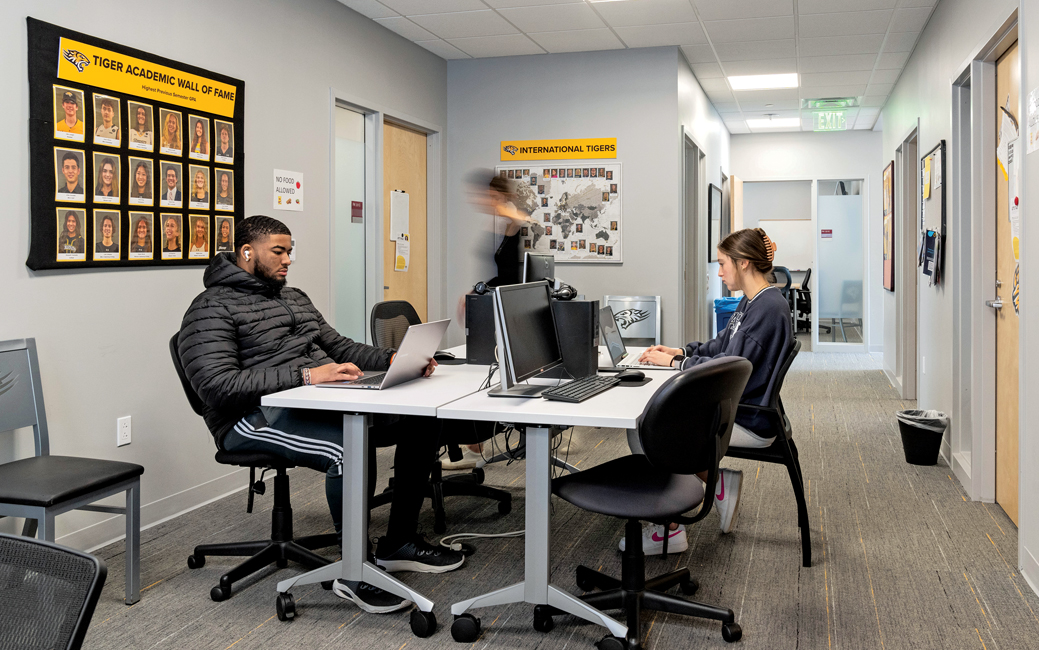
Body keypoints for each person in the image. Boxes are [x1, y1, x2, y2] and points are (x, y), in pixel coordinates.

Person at [177, 215, 465, 613]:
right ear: (246, 252)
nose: (288, 260)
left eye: (290, 251)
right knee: (349, 447)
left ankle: (398, 542)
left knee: (421, 420)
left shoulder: (293, 298)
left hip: (310, 402)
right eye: (278, 251)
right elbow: (216, 386)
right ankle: (354, 571)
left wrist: (395, 359)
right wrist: (308, 374)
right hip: (249, 418)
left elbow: (341, 347)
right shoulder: (209, 308)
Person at [621, 228, 793, 555]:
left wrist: (677, 363)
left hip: (746, 414)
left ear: (743, 263)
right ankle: (716, 485)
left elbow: (729, 368)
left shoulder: (767, 309)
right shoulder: (754, 300)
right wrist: (679, 350)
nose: (719, 271)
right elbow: (720, 346)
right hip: (738, 402)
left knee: (646, 429)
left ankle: (671, 529)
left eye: (723, 263)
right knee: (647, 421)